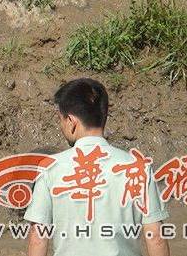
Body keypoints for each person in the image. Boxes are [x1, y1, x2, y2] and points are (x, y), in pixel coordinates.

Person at [25, 78, 170, 256]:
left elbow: (38, 237)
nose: (61, 126)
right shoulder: (138, 168)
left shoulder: (50, 169)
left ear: (71, 121)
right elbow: (156, 236)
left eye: (60, 120)